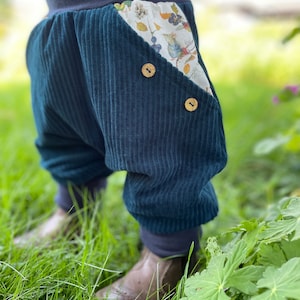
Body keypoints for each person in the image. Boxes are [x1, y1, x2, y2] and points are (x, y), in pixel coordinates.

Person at [14, 0, 227, 298]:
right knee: (63, 125)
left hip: (135, 13)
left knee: (159, 135)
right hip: (60, 17)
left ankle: (169, 252)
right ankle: (73, 212)